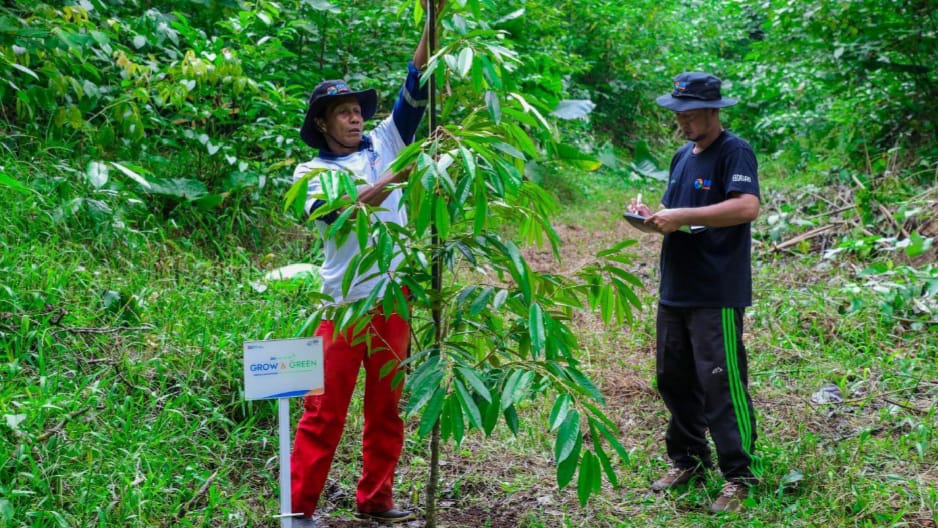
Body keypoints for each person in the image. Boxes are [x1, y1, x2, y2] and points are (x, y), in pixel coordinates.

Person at [288, 3, 442, 525]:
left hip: (392, 300)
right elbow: (337, 214)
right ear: (322, 123)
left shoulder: (384, 144)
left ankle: (376, 500)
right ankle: (300, 510)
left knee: (386, 408)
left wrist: (431, 20)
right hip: (343, 306)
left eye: (358, 110)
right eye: (343, 112)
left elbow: (416, 85)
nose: (356, 118)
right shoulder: (310, 171)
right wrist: (391, 182)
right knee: (322, 411)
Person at [628, 72, 762, 513]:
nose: (682, 123)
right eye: (677, 116)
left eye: (689, 115)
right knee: (674, 378)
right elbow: (676, 213)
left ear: (713, 110)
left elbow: (746, 206)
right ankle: (688, 460)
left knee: (721, 383)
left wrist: (682, 213)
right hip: (676, 288)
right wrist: (652, 216)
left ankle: (740, 476)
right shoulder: (681, 156)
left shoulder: (734, 151)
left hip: (715, 290)